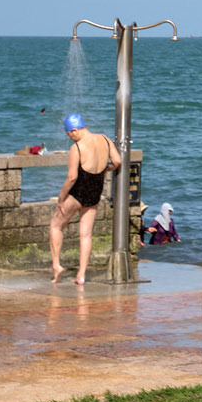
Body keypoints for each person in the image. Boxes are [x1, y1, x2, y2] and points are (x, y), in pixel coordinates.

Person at [50, 113, 121, 286]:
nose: (70, 138)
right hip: (95, 191)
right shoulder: (104, 139)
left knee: (55, 225)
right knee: (86, 234)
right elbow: (117, 161)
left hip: (78, 192)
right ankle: (81, 275)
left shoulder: (78, 148)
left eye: (69, 135)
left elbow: (72, 177)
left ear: (74, 130)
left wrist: (62, 196)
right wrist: (106, 170)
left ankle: (56, 266)